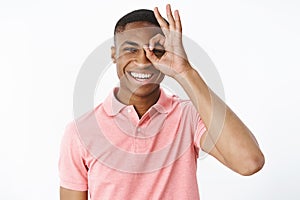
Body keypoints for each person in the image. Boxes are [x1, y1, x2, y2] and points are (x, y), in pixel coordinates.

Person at [59, 4, 265, 200]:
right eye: (131, 50)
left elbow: (249, 162)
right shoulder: (80, 132)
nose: (143, 61)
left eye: (156, 50)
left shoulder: (189, 116)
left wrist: (185, 71)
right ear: (114, 54)